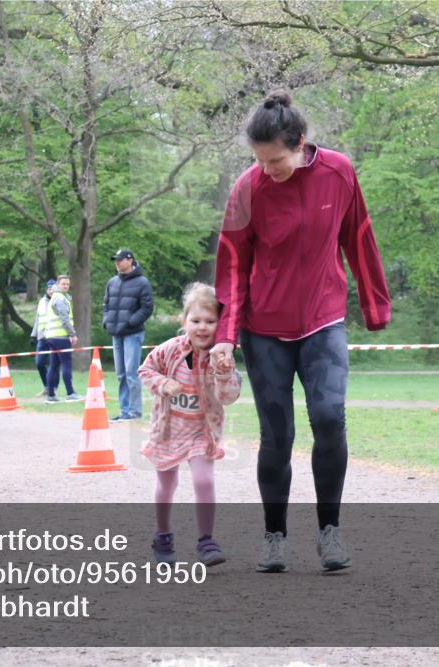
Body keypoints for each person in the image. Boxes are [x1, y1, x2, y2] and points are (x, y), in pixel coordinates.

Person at [211, 90, 390, 573]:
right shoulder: (248, 189)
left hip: (323, 319)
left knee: (330, 419)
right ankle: (274, 537)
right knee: (277, 435)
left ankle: (330, 533)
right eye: (258, 160)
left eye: (275, 160)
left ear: (301, 142)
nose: (267, 169)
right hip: (264, 328)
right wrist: (225, 334)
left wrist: (375, 304)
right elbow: (231, 264)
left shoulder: (339, 172)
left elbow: (359, 235)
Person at [138, 283, 241, 566]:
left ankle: (206, 540)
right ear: (185, 322)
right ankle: (163, 535)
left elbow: (228, 398)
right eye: (196, 321)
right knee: (166, 485)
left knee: (204, 480)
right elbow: (145, 370)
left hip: (201, 432)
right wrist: (162, 383)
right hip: (168, 431)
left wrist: (223, 374)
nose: (202, 327)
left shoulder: (222, 357)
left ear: (221, 325)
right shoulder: (169, 350)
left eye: (210, 321)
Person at [103, 248, 154, 422]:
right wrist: (106, 321)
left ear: (130, 260)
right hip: (116, 334)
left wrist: (131, 321)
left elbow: (147, 308)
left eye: (120, 259)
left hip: (133, 333)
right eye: (115, 260)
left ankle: (134, 412)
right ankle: (124, 411)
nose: (117, 263)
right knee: (121, 374)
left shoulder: (142, 282)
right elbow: (106, 305)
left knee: (132, 374)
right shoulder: (112, 282)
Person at [42, 275, 82, 403]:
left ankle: (51, 395)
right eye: (63, 284)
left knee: (54, 365)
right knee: (66, 364)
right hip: (61, 337)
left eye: (67, 284)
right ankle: (70, 393)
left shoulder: (54, 297)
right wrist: (72, 334)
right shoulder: (60, 299)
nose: (66, 286)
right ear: (58, 285)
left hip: (51, 337)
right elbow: (64, 319)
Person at [30, 279, 57, 396]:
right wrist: (33, 335)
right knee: (39, 363)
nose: (51, 290)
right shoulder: (41, 301)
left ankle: (54, 388)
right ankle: (47, 387)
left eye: (53, 288)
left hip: (55, 337)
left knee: (54, 363)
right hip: (42, 338)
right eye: (50, 288)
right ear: (47, 289)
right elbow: (38, 319)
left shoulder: (59, 301)